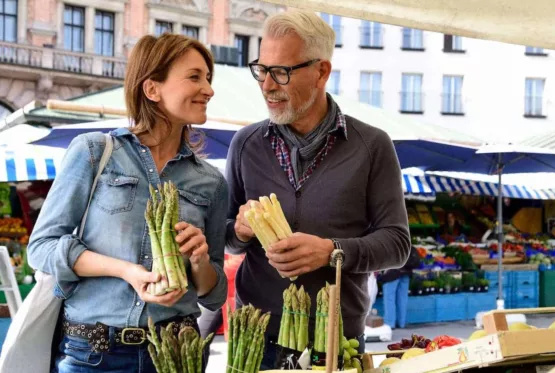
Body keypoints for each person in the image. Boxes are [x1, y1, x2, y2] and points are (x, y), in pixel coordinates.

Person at [28, 33, 228, 373]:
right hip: (93, 353)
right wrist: (127, 272)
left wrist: (199, 260)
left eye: (208, 79)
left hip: (178, 353)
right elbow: (41, 248)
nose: (208, 89)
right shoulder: (94, 152)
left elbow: (214, 294)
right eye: (194, 77)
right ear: (152, 89)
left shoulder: (211, 181)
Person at [225, 9, 410, 369]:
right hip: (256, 340)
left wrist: (332, 251)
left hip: (335, 339)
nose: (266, 85)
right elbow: (225, 239)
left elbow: (397, 244)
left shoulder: (372, 145)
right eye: (262, 70)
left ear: (322, 71)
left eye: (281, 72)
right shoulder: (245, 144)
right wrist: (239, 229)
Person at [378, 246, 419, 329]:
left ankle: (390, 323)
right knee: (402, 298)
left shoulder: (390, 243)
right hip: (406, 273)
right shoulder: (407, 244)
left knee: (389, 298)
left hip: (392, 273)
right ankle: (401, 323)